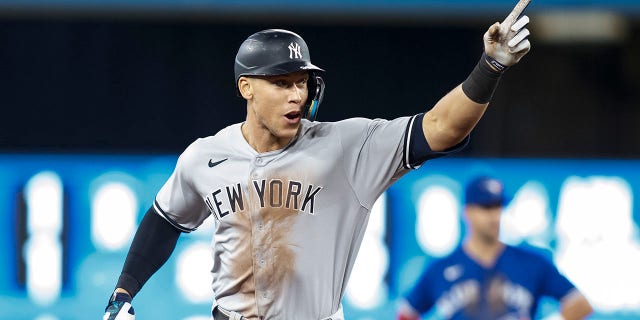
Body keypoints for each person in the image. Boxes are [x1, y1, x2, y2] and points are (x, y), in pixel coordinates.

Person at [103, 1, 534, 318]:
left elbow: (442, 128)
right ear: (246, 88)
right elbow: (165, 219)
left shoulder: (346, 147)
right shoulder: (206, 156)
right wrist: (123, 293)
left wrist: (489, 68)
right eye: (281, 82)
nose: (297, 94)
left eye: (303, 83)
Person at [396, 175, 594, 320]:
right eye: (485, 207)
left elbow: (579, 303)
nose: (494, 215)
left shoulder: (530, 263)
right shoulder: (441, 269)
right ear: (468, 212)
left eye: (497, 206)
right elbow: (406, 313)